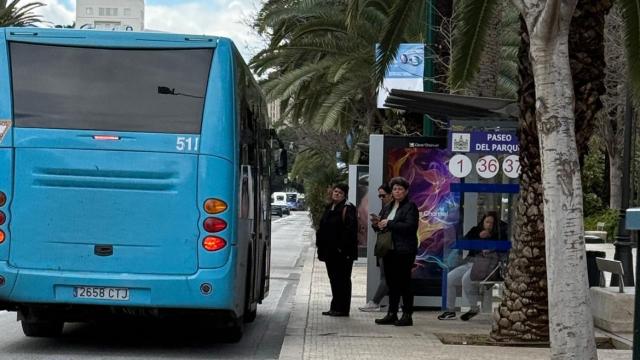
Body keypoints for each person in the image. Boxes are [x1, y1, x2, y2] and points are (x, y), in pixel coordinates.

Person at [438, 211, 508, 321]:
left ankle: (474, 307)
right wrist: (478, 237)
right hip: (470, 262)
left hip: (486, 265)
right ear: (483, 222)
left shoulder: (499, 234)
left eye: (492, 223)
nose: (489, 225)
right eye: (487, 222)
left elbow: (503, 249)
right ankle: (450, 310)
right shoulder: (476, 230)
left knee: (467, 279)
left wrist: (491, 247)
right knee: (450, 278)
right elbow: (464, 242)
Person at [374, 177, 419, 326]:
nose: (397, 191)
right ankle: (391, 313)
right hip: (389, 248)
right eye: (394, 189)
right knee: (391, 283)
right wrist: (378, 224)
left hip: (404, 249)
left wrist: (390, 223)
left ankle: (407, 315)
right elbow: (382, 224)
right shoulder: (388, 206)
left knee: (404, 282)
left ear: (406, 191)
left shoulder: (410, 206)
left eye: (400, 189)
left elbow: (410, 227)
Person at [315, 183, 358, 317]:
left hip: (342, 253)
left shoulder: (348, 208)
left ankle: (343, 309)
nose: (337, 194)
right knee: (334, 279)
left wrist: (341, 248)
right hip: (329, 252)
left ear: (345, 195)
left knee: (343, 280)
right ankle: (335, 306)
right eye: (335, 191)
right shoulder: (329, 207)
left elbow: (350, 231)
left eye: (340, 192)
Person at [359, 184, 393, 312]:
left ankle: (375, 301)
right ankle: (387, 303)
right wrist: (376, 224)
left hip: (390, 247)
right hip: (384, 246)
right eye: (379, 196)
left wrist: (385, 223)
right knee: (387, 277)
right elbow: (379, 228)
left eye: (383, 195)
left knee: (388, 277)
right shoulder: (386, 208)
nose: (381, 198)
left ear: (391, 194)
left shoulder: (396, 208)